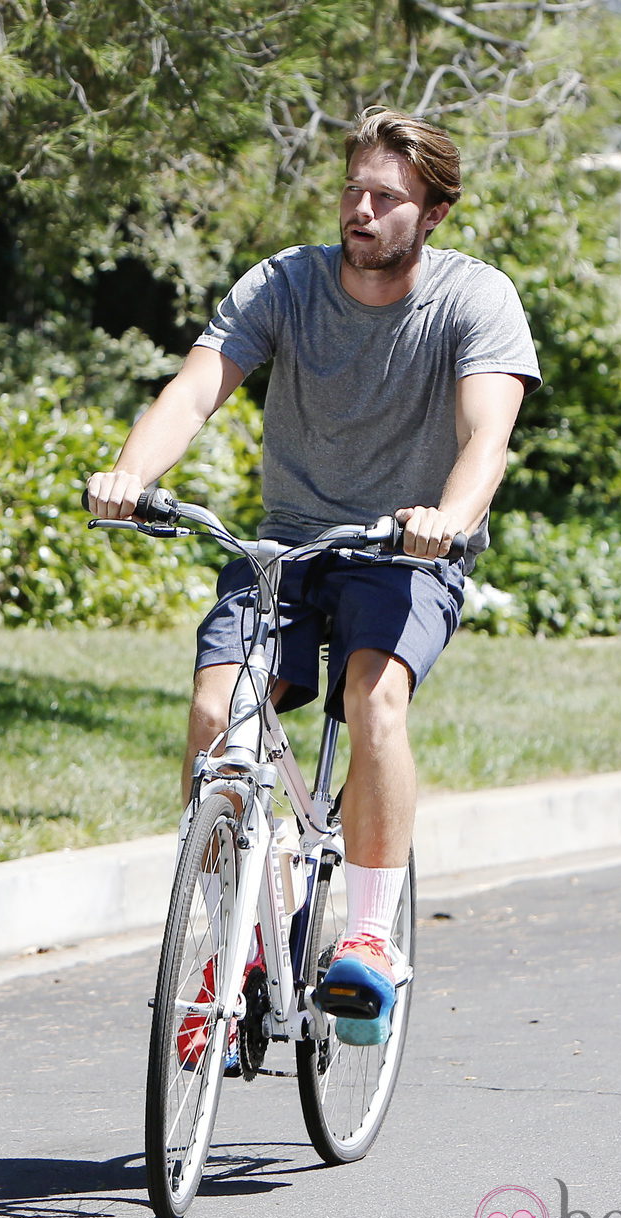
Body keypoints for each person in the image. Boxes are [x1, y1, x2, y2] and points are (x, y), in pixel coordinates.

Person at [86, 106, 541, 1045]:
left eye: (387, 197)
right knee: (219, 718)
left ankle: (368, 937)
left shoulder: (475, 299)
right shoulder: (286, 285)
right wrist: (135, 473)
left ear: (434, 213)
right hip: (288, 545)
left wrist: (447, 522)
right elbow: (197, 387)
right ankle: (237, 944)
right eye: (353, 190)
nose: (362, 211)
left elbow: (486, 436)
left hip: (402, 550)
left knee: (375, 699)